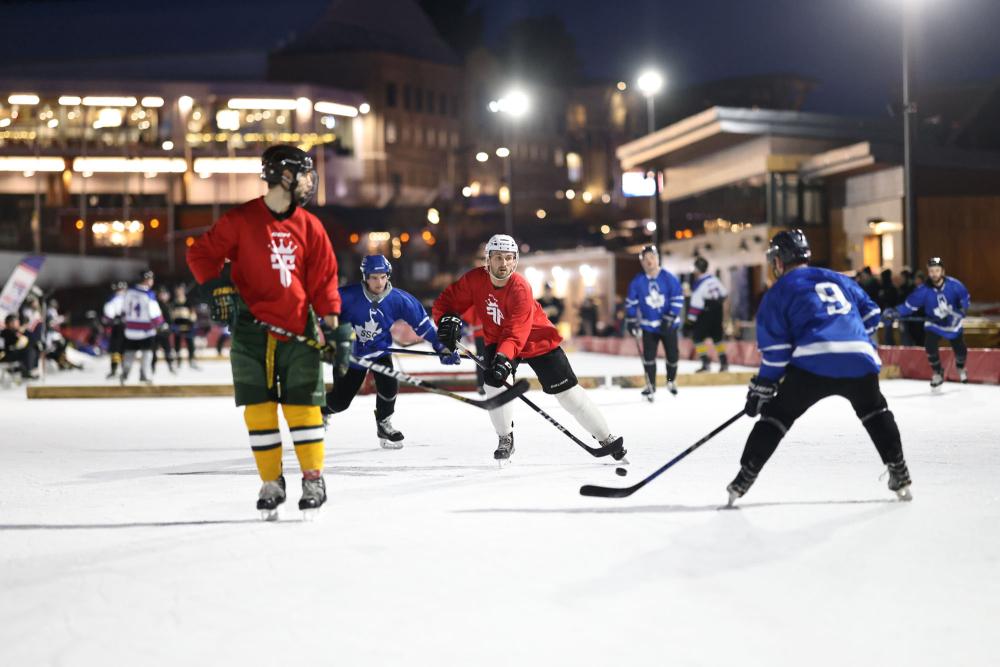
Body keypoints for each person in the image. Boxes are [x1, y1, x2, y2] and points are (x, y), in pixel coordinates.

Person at [186, 144, 353, 519]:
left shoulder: (311, 226)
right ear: (287, 175)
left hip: (298, 329)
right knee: (258, 410)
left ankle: (313, 479)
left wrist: (333, 328)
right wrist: (216, 287)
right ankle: (271, 481)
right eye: (306, 173)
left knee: (304, 407)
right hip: (250, 330)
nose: (311, 182)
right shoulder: (240, 220)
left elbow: (324, 282)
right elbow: (201, 255)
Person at [726, 229, 912, 506]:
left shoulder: (778, 292)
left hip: (814, 363)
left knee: (776, 415)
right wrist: (850, 336)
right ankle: (900, 472)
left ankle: (744, 477)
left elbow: (776, 355)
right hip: (859, 357)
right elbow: (872, 314)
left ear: (779, 261)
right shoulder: (838, 278)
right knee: (875, 411)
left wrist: (763, 388)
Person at [432, 234, 626, 462]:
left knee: (568, 393)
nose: (503, 264)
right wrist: (445, 319)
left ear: (514, 261)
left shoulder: (520, 287)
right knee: (494, 385)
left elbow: (517, 331)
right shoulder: (474, 280)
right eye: (497, 258)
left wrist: (503, 359)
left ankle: (605, 437)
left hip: (536, 339)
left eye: (508, 258)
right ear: (488, 260)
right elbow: (447, 302)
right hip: (498, 337)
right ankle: (505, 438)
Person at [325, 254, 458, 448]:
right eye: (373, 277)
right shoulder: (346, 295)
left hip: (379, 352)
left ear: (388, 276)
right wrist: (335, 336)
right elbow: (323, 316)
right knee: (339, 403)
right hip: (351, 357)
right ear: (365, 277)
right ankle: (315, 414)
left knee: (389, 388)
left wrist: (441, 346)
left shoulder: (399, 299)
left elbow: (423, 327)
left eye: (382, 276)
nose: (379, 282)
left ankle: (384, 424)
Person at [884, 257, 970, 388]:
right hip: (934, 324)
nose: (934, 273)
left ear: (943, 271)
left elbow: (964, 299)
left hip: (952, 324)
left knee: (960, 351)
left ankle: (960, 367)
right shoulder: (923, 290)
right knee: (929, 345)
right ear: (928, 272)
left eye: (937, 270)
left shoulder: (955, 285)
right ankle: (937, 372)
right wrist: (895, 312)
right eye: (931, 271)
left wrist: (961, 311)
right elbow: (909, 306)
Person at [624, 244, 684, 399]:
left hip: (668, 325)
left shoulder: (669, 278)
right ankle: (650, 385)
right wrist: (631, 320)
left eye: (652, 257)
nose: (649, 261)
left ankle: (671, 381)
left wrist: (670, 316)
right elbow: (631, 302)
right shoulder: (637, 281)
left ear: (657, 258)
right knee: (648, 357)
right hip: (649, 326)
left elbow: (677, 298)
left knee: (672, 356)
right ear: (642, 262)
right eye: (645, 259)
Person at [683, 256, 730, 372]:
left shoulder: (699, 285)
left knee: (697, 338)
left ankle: (705, 362)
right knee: (717, 338)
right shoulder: (714, 279)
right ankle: (724, 362)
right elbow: (724, 294)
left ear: (697, 269)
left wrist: (689, 322)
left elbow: (696, 306)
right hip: (717, 312)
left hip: (705, 313)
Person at [121, 269, 164, 385]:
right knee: (147, 354)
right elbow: (154, 313)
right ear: (147, 280)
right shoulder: (148, 295)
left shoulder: (128, 292)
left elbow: (123, 311)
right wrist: (161, 324)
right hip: (146, 331)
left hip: (130, 330)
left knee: (130, 353)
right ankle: (145, 375)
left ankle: (125, 373)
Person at [1, 314, 39, 379]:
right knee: (28, 350)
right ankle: (26, 371)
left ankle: (29, 369)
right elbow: (12, 341)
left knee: (33, 348)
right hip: (7, 355)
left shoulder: (19, 331)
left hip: (16, 353)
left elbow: (32, 339)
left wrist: (24, 332)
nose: (18, 323)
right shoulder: (5, 332)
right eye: (16, 321)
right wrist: (19, 334)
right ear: (10, 323)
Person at [170, 284, 199, 369]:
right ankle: (178, 360)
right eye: (177, 290)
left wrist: (192, 322)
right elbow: (171, 315)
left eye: (180, 290)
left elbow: (193, 314)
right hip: (177, 327)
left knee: (190, 344)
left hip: (188, 326)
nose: (179, 292)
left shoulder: (188, 302)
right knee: (177, 345)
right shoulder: (173, 303)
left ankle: (191, 360)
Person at [103, 281, 127, 379]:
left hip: (123, 327)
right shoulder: (114, 299)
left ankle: (123, 370)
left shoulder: (126, 299)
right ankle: (115, 370)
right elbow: (109, 313)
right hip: (118, 327)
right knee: (117, 350)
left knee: (121, 350)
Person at [152, 285, 176, 374]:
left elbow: (170, 319)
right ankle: (152, 368)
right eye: (161, 294)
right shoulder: (156, 304)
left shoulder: (168, 305)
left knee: (168, 350)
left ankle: (171, 366)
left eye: (164, 294)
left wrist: (170, 326)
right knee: (153, 351)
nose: (163, 296)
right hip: (156, 332)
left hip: (165, 333)